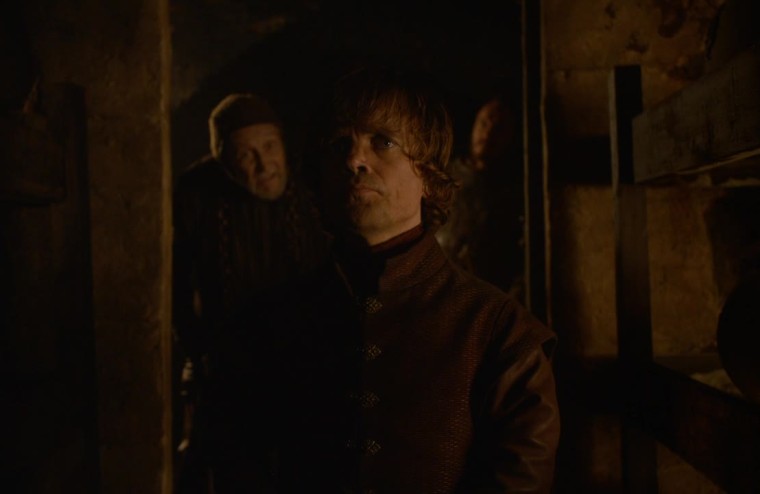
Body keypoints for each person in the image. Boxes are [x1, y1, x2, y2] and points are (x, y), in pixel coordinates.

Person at [237, 67, 559, 492]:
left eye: (383, 142)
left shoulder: (500, 334)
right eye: (340, 145)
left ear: (427, 173)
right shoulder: (268, 324)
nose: (354, 160)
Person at [171, 93, 329, 493]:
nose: (264, 164)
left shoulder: (312, 189)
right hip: (232, 374)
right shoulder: (196, 195)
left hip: (306, 370)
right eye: (246, 154)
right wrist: (199, 352)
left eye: (270, 146)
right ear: (222, 161)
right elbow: (175, 288)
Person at [436, 96, 525, 298]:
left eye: (499, 128)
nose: (488, 132)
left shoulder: (511, 196)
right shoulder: (443, 177)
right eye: (484, 123)